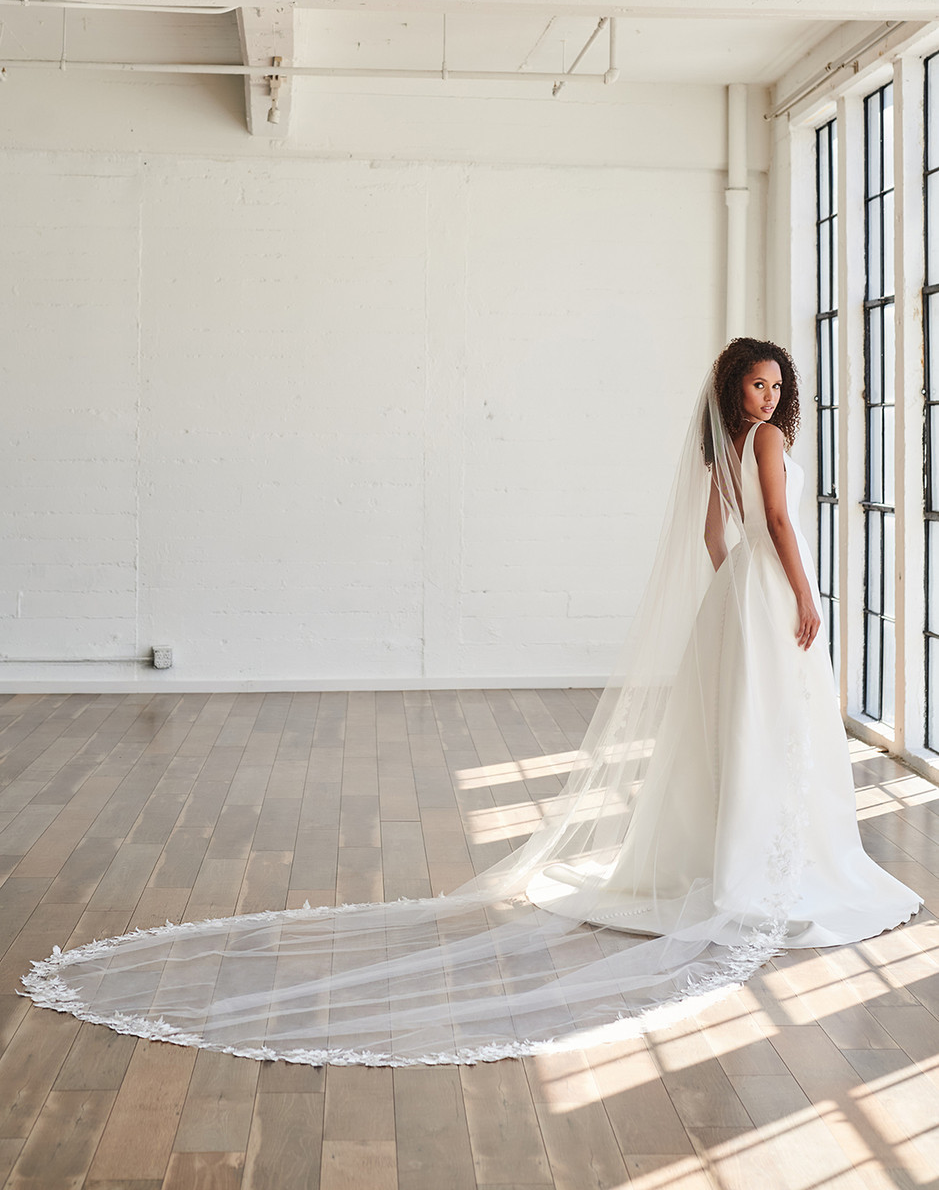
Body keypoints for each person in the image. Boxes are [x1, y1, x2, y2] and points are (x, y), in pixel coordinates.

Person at [21, 339, 921, 1067]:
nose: (765, 399)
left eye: (773, 385)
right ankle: (774, 863)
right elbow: (775, 526)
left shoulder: (722, 447)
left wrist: (736, 594)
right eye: (753, 386)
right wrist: (795, 595)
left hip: (739, 603)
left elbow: (710, 536)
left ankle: (740, 857)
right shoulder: (762, 448)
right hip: (768, 599)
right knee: (773, 732)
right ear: (734, 392)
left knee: (746, 734)